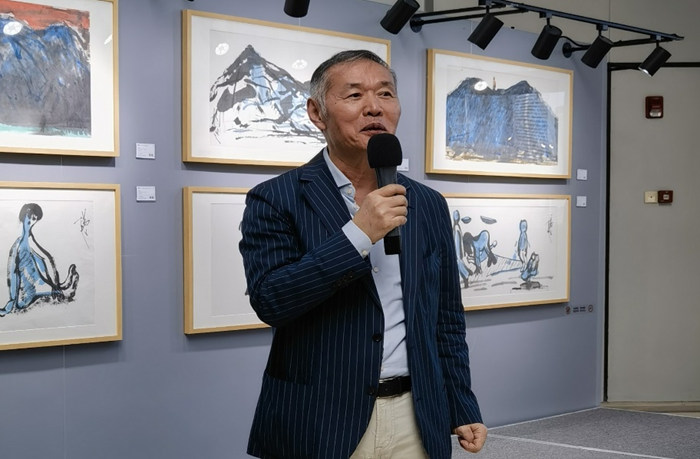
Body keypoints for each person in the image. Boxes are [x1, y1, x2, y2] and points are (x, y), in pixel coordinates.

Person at [239, 50, 487, 459]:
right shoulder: (276, 198)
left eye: (385, 93)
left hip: (416, 414)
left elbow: (445, 318)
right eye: (354, 95)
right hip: (319, 418)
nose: (374, 107)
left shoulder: (427, 203)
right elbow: (272, 300)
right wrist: (358, 234)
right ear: (317, 114)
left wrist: (461, 404)